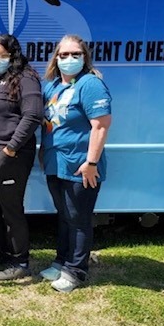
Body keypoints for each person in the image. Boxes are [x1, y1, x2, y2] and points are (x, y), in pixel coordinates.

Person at [39, 34, 112, 292]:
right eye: (63, 55)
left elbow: (101, 126)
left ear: (84, 57)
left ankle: (76, 271)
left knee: (79, 218)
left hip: (82, 166)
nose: (68, 59)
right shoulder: (52, 86)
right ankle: (61, 261)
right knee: (65, 216)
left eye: (75, 55)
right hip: (55, 163)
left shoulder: (90, 84)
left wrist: (91, 162)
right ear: (56, 58)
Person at [0, 34, 42, 280]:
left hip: (10, 154)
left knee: (11, 209)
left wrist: (11, 149)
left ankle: (20, 261)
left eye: (3, 55)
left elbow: (33, 116)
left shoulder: (26, 78)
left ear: (13, 55)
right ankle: (3, 251)